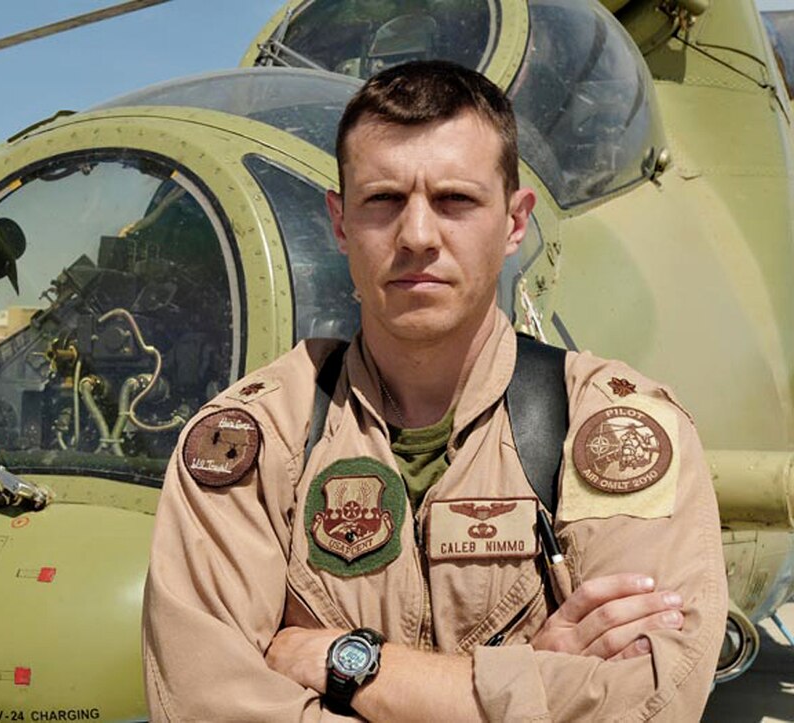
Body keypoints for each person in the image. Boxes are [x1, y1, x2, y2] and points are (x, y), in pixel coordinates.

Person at [142, 60, 726, 721]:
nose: (418, 235)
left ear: (513, 222)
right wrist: (528, 679)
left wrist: (343, 660)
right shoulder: (251, 441)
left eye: (455, 201)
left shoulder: (610, 427)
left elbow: (650, 700)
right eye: (384, 201)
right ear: (340, 222)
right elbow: (204, 704)